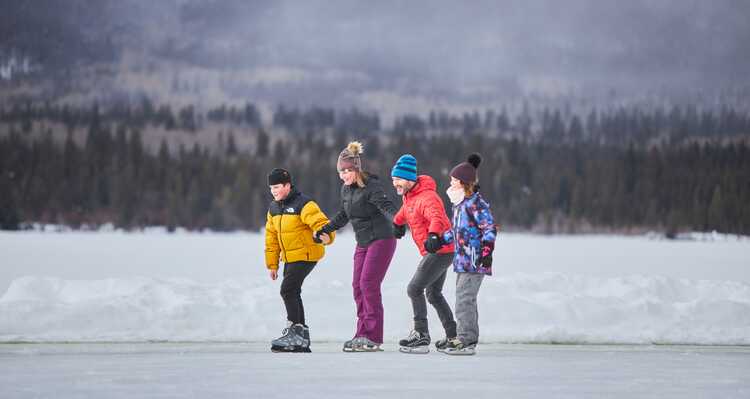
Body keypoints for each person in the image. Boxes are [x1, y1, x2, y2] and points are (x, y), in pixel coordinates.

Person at [316, 141, 398, 352]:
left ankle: (373, 336)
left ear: (357, 169)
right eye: (341, 171)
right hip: (363, 242)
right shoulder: (346, 190)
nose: (343, 175)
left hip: (382, 239)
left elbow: (386, 207)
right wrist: (326, 229)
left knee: (368, 284)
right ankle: (361, 333)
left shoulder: (372, 187)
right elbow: (344, 215)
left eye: (347, 170)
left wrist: (397, 222)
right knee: (357, 287)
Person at [425, 153, 497, 356]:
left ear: (463, 183)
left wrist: (487, 252)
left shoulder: (476, 204)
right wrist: (440, 240)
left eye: (453, 180)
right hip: (463, 260)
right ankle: (466, 337)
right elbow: (457, 232)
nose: (450, 183)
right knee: (465, 298)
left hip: (475, 259)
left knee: (465, 298)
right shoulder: (460, 205)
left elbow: (489, 228)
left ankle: (466, 340)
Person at [391, 154, 458, 354]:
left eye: (398, 179)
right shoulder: (410, 197)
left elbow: (436, 216)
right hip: (440, 252)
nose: (395, 183)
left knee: (414, 289)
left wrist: (434, 235)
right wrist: (397, 223)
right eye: (393, 180)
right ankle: (453, 336)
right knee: (433, 294)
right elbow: (405, 211)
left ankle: (421, 335)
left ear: (410, 179)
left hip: (439, 250)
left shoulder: (428, 197)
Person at [265, 168, 335, 353]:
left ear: (287, 186)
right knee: (292, 291)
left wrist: (326, 235)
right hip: (290, 257)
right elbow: (271, 238)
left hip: (306, 254)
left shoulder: (303, 204)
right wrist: (272, 264)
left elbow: (321, 223)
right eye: (271, 187)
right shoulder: (273, 208)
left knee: (287, 290)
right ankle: (300, 336)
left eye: (277, 187)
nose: (274, 191)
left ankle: (295, 332)